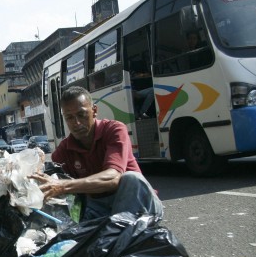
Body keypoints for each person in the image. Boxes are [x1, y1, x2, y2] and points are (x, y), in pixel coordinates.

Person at [30, 86, 163, 221]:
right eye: (69, 117)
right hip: (99, 210)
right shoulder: (63, 151)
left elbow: (113, 177)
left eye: (81, 115)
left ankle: (118, 230)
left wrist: (61, 185)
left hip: (137, 203)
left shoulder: (114, 130)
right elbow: (58, 186)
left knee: (132, 178)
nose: (76, 123)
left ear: (94, 111)